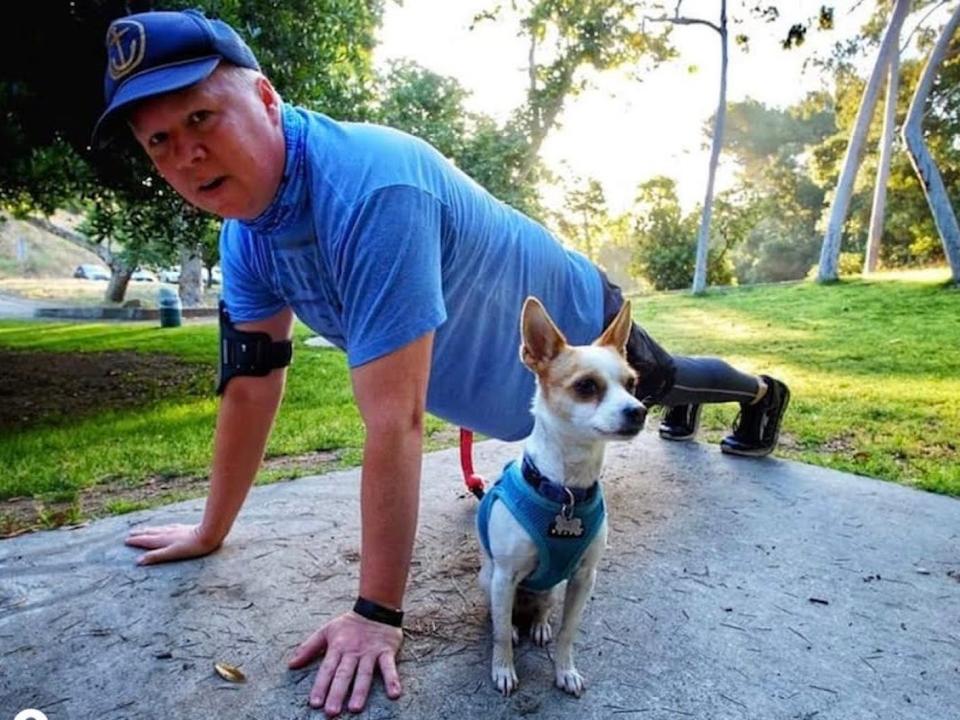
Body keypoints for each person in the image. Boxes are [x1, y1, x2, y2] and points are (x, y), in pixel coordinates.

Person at [96, 9, 790, 717]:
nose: (186, 153)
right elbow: (250, 387)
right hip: (504, 394)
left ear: (267, 98)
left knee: (671, 384)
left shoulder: (371, 190)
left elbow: (393, 421)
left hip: (575, 326)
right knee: (659, 398)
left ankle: (760, 392)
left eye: (202, 118)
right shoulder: (247, 242)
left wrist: (376, 614)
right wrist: (210, 530)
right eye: (159, 142)